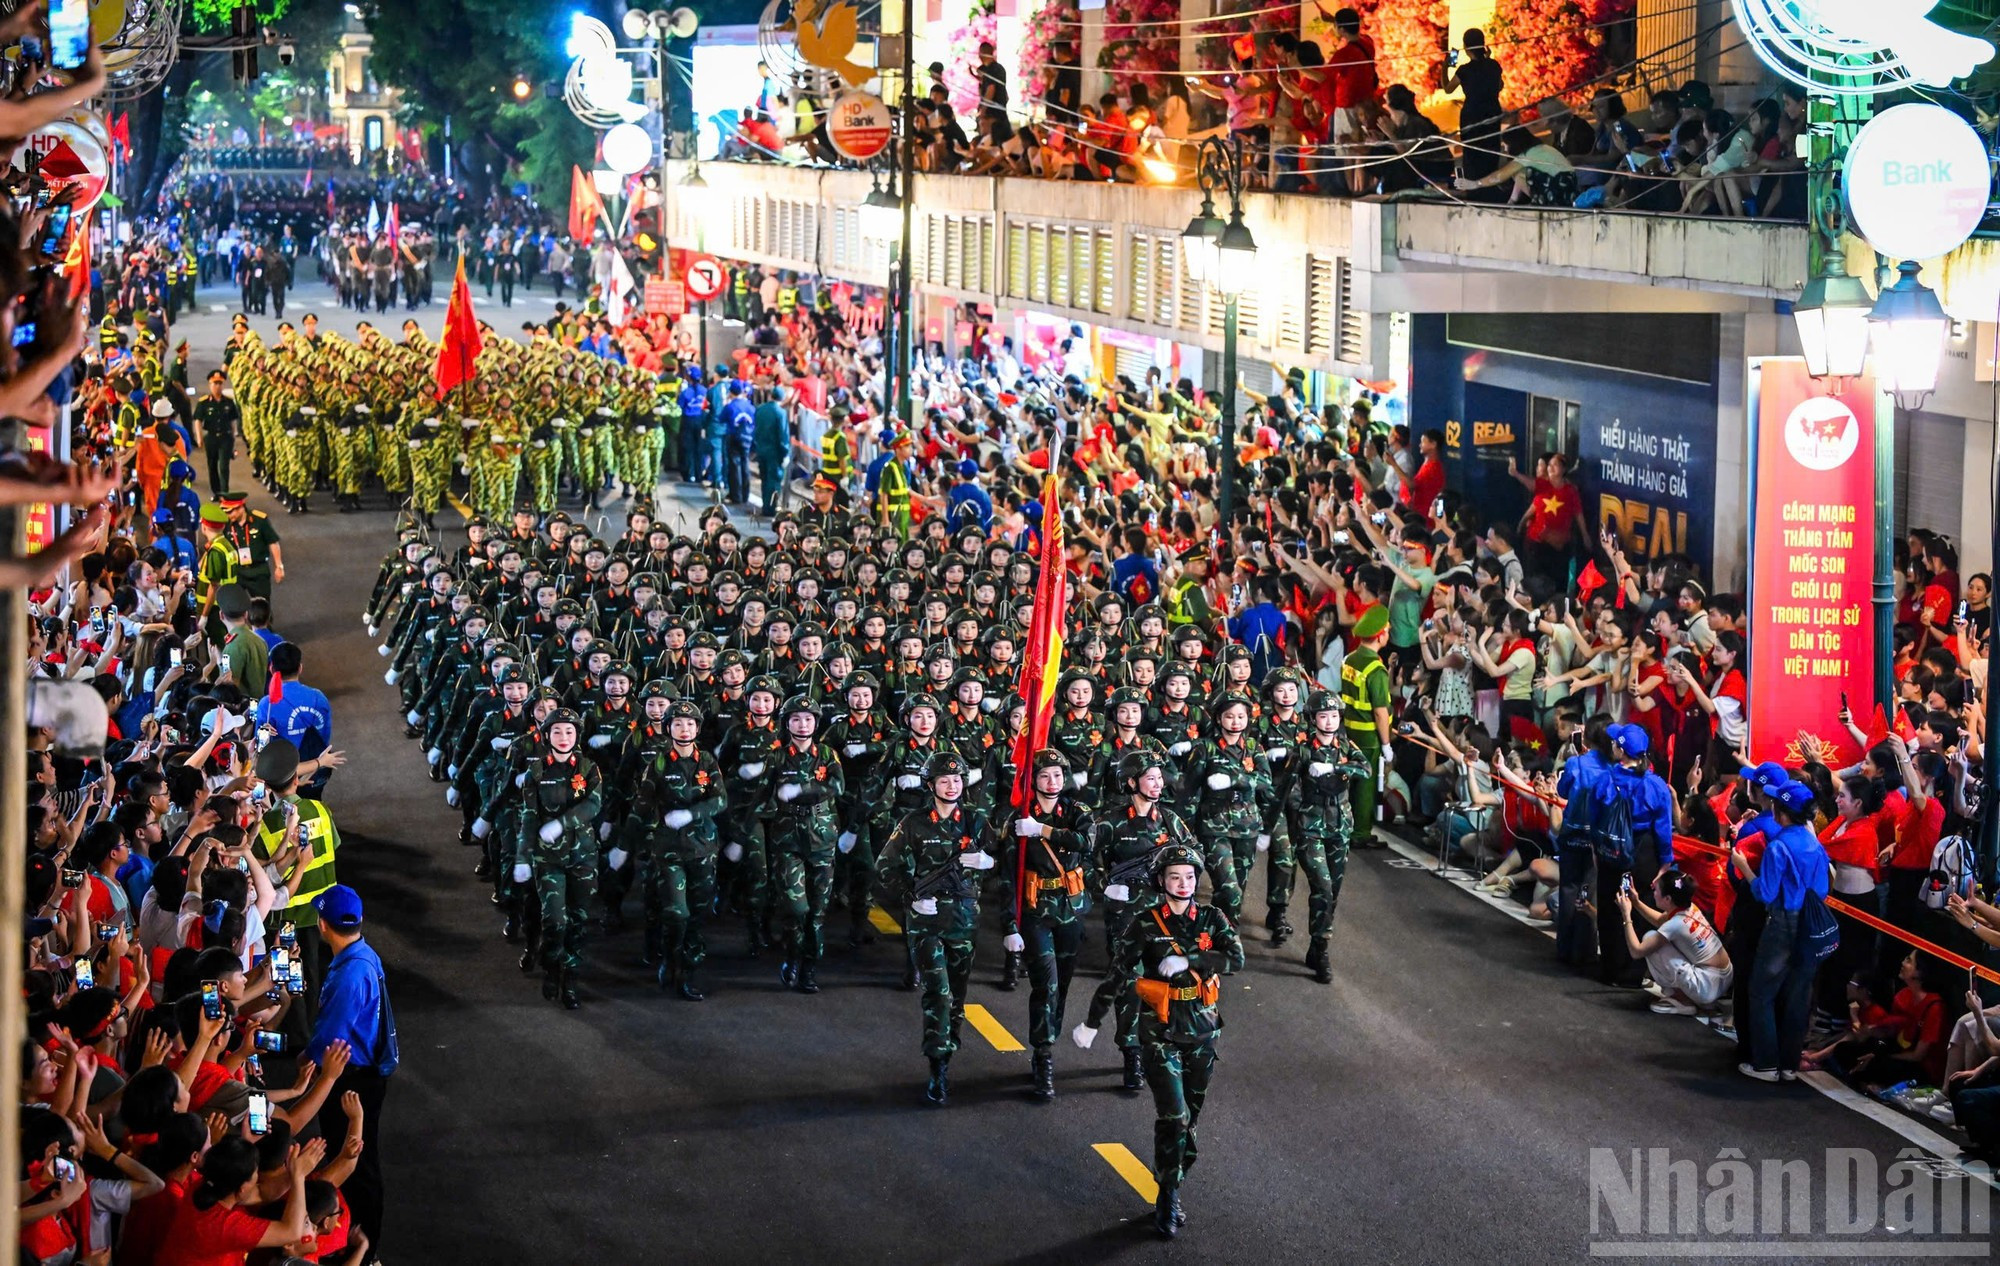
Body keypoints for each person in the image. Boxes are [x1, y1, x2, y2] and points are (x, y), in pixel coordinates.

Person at [1109, 842, 1244, 1238]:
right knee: (1175, 1116)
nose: (1183, 883)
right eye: (1174, 876)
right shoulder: (1146, 922)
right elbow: (1122, 970)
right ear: (1161, 882)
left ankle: (1175, 1179)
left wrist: (1192, 961)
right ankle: (1167, 1195)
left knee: (1192, 1120)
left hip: (1203, 1028)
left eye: (1189, 876)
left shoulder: (1212, 918)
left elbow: (1235, 959)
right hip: (1161, 1030)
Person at [881, 750, 996, 1104]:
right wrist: (909, 897)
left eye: (957, 780)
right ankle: (937, 1067)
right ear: (930, 785)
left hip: (963, 920)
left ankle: (947, 1049)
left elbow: (1003, 861)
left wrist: (989, 860)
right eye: (944, 781)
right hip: (926, 921)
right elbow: (886, 867)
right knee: (938, 994)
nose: (952, 786)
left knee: (957, 997)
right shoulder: (914, 823)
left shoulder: (976, 820)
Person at [304, 883, 398, 1254]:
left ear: (323, 925)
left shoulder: (347, 976)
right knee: (359, 1160)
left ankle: (358, 1246)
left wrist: (308, 1063)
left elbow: (332, 1036)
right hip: (365, 1073)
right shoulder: (364, 956)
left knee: (354, 1160)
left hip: (351, 1078)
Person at [997, 748, 1093, 1100]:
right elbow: (1008, 877)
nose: (1052, 782)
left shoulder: (1077, 811)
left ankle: (1047, 1037)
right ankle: (1043, 1055)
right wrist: (1009, 925)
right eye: (1044, 776)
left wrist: (1043, 829)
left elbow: (1086, 842)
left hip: (1070, 908)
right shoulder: (1018, 820)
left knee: (1064, 984)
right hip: (1036, 912)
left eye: (1057, 775)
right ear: (1032, 781)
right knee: (1046, 985)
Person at [1731, 780, 1830, 1081]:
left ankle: (1765, 1063)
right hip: (1811, 924)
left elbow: (1765, 892)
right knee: (1798, 995)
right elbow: (1823, 889)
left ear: (1782, 811)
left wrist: (1744, 867)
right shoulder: (1815, 844)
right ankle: (1788, 1065)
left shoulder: (1778, 846)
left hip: (1782, 922)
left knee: (1761, 991)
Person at [1613, 867, 1733, 1014]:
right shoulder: (1689, 908)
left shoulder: (1676, 924)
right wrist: (1636, 902)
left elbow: (1636, 951)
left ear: (1668, 899)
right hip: (1720, 979)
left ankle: (1683, 1000)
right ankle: (1698, 999)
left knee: (1650, 939)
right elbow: (1660, 921)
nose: (1654, 893)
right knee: (1655, 938)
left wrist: (1626, 915)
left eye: (1656, 890)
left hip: (1707, 986)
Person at [1338, 605, 1394, 846]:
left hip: (1349, 730)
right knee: (1365, 786)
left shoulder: (1349, 660)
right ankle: (1360, 832)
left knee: (1351, 781)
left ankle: (1346, 825)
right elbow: (1381, 712)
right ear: (1381, 635)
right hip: (1369, 735)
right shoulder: (1376, 669)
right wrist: (1386, 743)